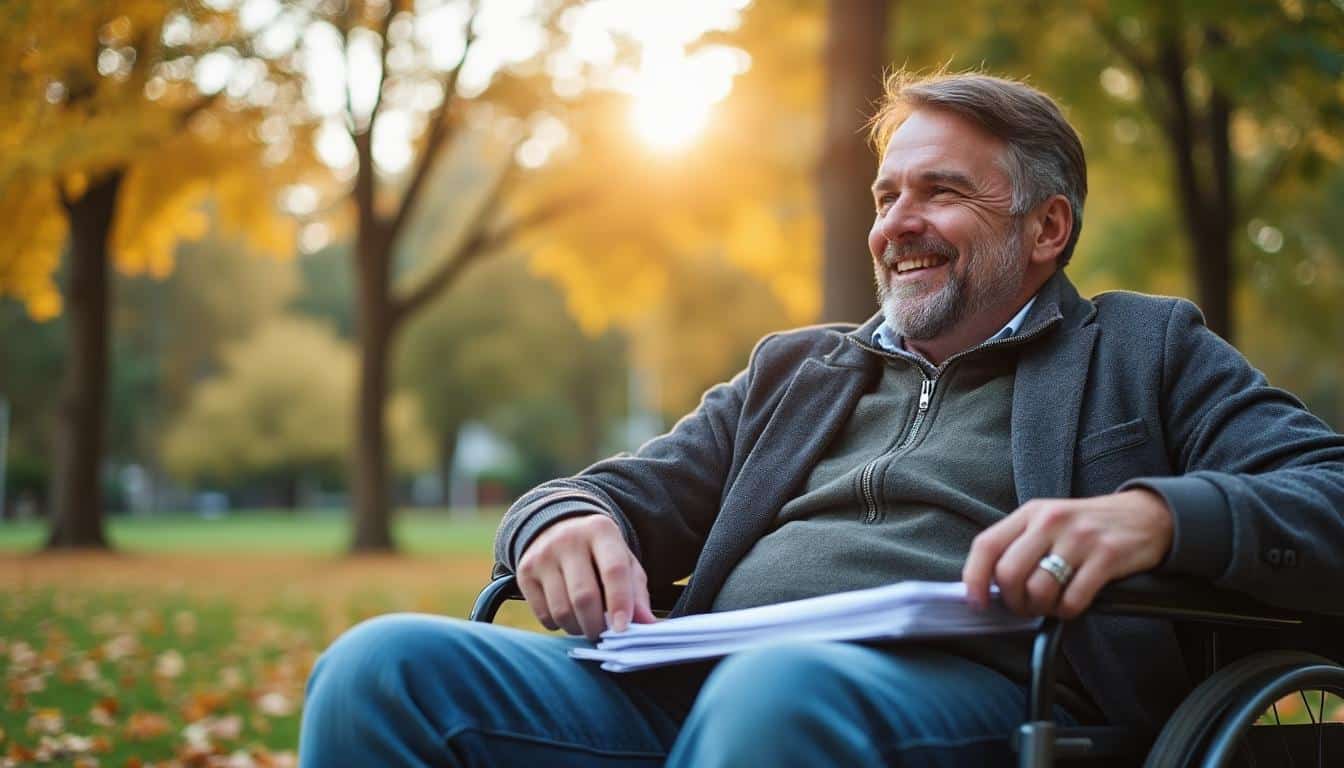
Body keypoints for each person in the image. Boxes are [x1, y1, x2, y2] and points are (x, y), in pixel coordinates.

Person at [299, 73, 1344, 767]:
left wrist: (1153, 517)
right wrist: (566, 517)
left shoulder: (1142, 351)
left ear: (1047, 228)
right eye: (887, 194)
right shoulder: (799, 369)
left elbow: (1326, 492)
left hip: (990, 707)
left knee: (778, 695)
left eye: (940, 193)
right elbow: (628, 489)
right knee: (381, 669)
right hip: (689, 691)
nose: (896, 225)